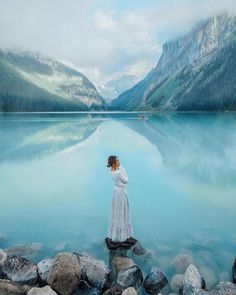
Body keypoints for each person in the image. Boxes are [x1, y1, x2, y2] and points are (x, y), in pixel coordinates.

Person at [106, 155, 136, 244]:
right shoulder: (118, 172)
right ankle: (124, 236)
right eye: (118, 161)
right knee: (123, 213)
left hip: (116, 193)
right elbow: (126, 180)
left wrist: (120, 169)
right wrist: (122, 169)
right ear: (114, 164)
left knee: (117, 214)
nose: (119, 162)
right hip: (121, 194)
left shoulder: (111, 170)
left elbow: (122, 180)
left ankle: (116, 234)